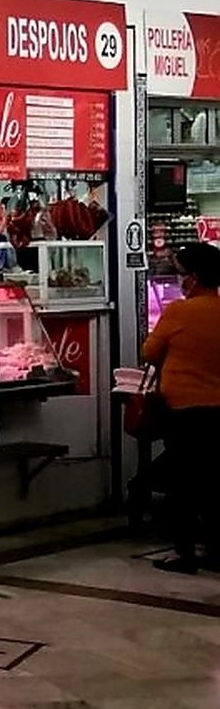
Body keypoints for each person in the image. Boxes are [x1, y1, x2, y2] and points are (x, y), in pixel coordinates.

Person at [141, 242, 220, 574]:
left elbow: (149, 352)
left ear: (195, 277)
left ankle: (184, 552)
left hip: (184, 409)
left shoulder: (178, 312)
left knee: (183, 484)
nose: (178, 279)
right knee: (215, 482)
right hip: (218, 410)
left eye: (181, 273)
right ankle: (216, 552)